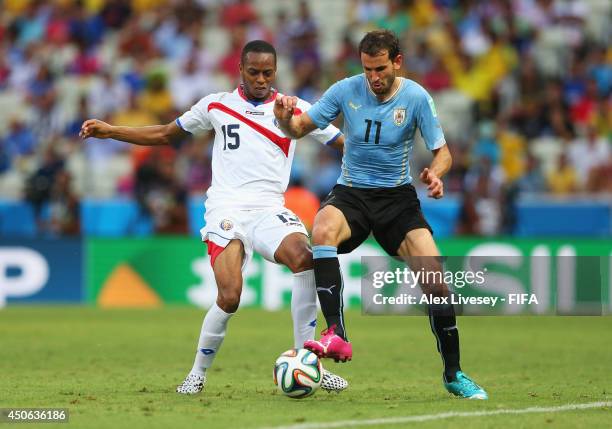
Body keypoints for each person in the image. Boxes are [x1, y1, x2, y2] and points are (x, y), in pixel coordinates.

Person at [80, 40, 348, 395]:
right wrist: (111, 130)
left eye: (268, 72)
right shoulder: (216, 104)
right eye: (254, 72)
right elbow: (165, 134)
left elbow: (342, 142)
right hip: (226, 208)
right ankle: (197, 373)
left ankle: (306, 359)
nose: (261, 79)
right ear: (241, 69)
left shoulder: (295, 108)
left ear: (276, 71)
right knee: (231, 295)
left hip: (269, 208)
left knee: (305, 260)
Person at [274, 30, 487, 399]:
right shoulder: (344, 90)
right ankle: (336, 333)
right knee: (322, 228)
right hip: (352, 193)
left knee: (436, 283)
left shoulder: (417, 97)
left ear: (397, 62)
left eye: (380, 68)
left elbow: (443, 151)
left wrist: (436, 174)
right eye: (368, 69)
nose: (374, 77)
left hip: (397, 201)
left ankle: (454, 373)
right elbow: (297, 129)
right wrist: (282, 120)